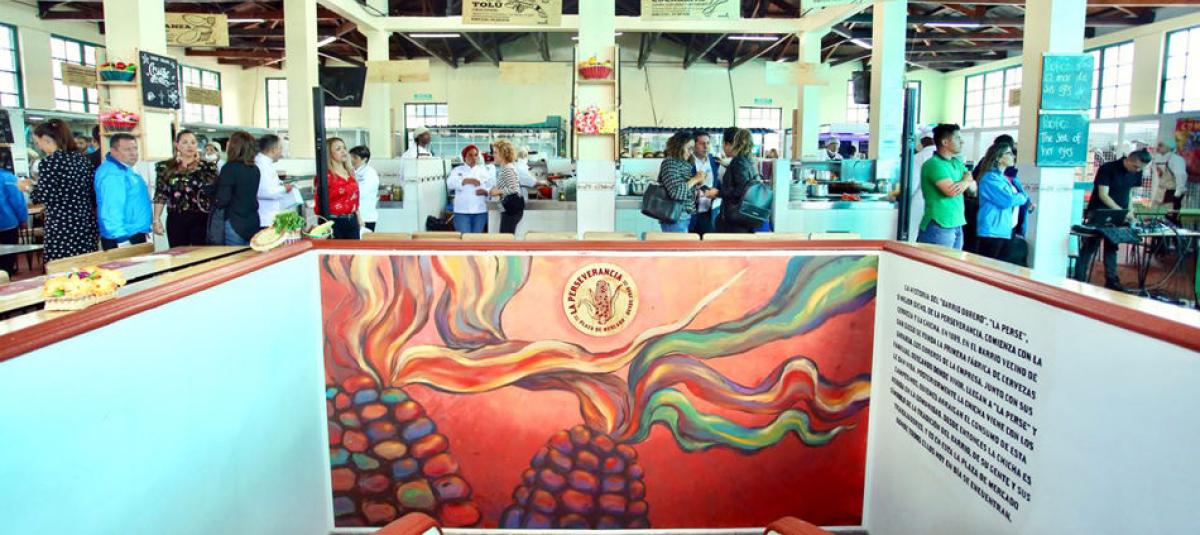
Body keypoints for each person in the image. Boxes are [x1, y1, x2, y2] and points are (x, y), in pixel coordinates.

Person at [16, 119, 99, 261]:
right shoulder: (82, 159)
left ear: (46, 139)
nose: (38, 146)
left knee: (61, 266)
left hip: (62, 224)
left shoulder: (49, 163)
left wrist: (27, 187)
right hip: (85, 222)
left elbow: (43, 196)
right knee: (85, 263)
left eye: (37, 142)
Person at [1073, 150, 1152, 290]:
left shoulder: (1136, 172)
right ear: (1129, 159)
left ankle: (1112, 280)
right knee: (1090, 247)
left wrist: (1130, 211)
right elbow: (1103, 195)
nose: (1137, 170)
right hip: (1099, 211)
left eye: (1141, 168)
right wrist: (1120, 211)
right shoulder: (1107, 168)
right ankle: (1079, 279)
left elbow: (1129, 193)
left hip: (1119, 214)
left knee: (1112, 246)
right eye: (1135, 166)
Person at [153, 130, 218, 246]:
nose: (190, 146)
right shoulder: (165, 167)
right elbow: (161, 194)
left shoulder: (208, 167)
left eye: (193, 142)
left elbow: (215, 193)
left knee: (202, 253)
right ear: (177, 145)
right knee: (179, 253)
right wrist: (156, 219)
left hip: (201, 217)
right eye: (185, 142)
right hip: (176, 217)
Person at [917, 124, 976, 250]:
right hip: (939, 225)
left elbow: (973, 188)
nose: (962, 141)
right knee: (937, 262)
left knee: (953, 261)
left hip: (957, 223)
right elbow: (951, 191)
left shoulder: (957, 162)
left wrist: (965, 181)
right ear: (945, 142)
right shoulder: (934, 164)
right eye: (957, 138)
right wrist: (966, 181)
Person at [94, 133, 152, 250]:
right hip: (124, 237)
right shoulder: (112, 174)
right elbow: (111, 208)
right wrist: (122, 240)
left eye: (135, 148)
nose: (133, 153)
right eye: (127, 149)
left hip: (134, 232)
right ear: (113, 151)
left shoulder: (125, 169)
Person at [974, 141, 1029, 263]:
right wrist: (1022, 198)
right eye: (1009, 153)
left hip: (1004, 229)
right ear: (998, 158)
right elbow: (1007, 200)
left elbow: (1019, 196)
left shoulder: (1005, 178)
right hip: (992, 231)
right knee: (988, 266)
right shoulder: (990, 178)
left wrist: (1021, 198)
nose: (1013, 156)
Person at [214, 132, 261, 246]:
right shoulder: (255, 169)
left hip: (235, 223)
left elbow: (223, 199)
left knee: (235, 255)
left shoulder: (229, 168)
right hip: (252, 221)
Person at [657, 131, 706, 233]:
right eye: (689, 148)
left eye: (692, 148)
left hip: (685, 215)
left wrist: (698, 183)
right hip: (674, 216)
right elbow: (676, 193)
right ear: (679, 146)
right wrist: (695, 179)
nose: (691, 152)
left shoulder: (685, 163)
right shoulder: (670, 163)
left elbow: (686, 187)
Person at [313, 137, 360, 240]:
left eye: (344, 148)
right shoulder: (325, 176)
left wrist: (359, 218)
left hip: (352, 221)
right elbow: (318, 203)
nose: (343, 151)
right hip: (333, 222)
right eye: (338, 149)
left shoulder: (350, 173)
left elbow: (355, 199)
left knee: (354, 250)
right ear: (330, 154)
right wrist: (322, 225)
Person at [716, 128, 759, 234]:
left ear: (735, 142)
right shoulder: (750, 161)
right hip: (747, 215)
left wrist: (718, 193)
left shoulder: (738, 161)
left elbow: (741, 190)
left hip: (735, 218)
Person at [446, 144, 492, 233]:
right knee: (465, 238)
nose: (473, 158)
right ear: (464, 158)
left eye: (475, 155)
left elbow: (491, 187)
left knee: (476, 239)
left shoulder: (483, 171)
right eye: (470, 155)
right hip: (462, 212)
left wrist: (486, 192)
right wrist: (465, 181)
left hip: (480, 211)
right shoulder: (457, 170)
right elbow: (450, 184)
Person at [899, 136, 937, 241]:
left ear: (922, 142)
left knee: (913, 235)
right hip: (938, 208)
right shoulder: (945, 158)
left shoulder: (918, 158)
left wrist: (900, 197)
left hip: (919, 202)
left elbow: (911, 185)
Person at [255, 134, 294, 229]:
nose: (281, 153)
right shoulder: (262, 166)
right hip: (265, 218)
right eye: (280, 148)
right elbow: (264, 191)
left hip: (270, 216)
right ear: (273, 149)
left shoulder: (266, 163)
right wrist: (284, 189)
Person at [690, 130, 722, 236]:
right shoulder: (688, 161)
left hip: (710, 211)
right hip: (692, 212)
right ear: (694, 145)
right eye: (702, 143)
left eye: (708, 143)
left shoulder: (713, 161)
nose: (706, 146)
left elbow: (717, 182)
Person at [489, 139, 524, 234]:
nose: (493, 155)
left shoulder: (508, 169)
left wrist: (498, 191)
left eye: (495, 152)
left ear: (503, 153)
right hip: (509, 209)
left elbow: (514, 189)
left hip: (511, 210)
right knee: (505, 237)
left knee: (505, 238)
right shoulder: (505, 168)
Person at [0, 165, 28, 275]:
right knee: (8, 257)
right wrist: (22, 219)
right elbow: (18, 202)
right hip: (7, 223)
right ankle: (6, 275)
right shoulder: (9, 178)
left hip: (7, 222)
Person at [1150, 137, 1187, 215]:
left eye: (1161, 145)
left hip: (1171, 193)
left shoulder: (1176, 159)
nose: (1158, 147)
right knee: (1155, 215)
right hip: (1160, 192)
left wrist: (1178, 192)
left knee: (1169, 216)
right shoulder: (1158, 158)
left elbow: (1181, 175)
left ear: (1169, 147)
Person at [349, 145, 380, 232]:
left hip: (366, 217)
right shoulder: (353, 171)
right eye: (351, 157)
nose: (352, 160)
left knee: (364, 239)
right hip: (355, 215)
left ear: (364, 159)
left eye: (355, 157)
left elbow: (361, 193)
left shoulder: (370, 173)